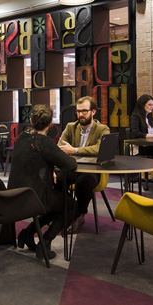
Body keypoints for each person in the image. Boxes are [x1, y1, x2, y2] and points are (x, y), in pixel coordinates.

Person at [8, 104, 78, 260]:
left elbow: (32, 161)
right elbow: (70, 165)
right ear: (51, 124)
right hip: (34, 198)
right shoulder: (44, 142)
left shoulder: (21, 138)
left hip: (13, 197)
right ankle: (45, 242)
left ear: (31, 121)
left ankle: (27, 233)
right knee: (71, 205)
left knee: (56, 202)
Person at [57, 96, 110, 235]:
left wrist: (74, 150)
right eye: (78, 111)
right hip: (73, 168)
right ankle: (68, 210)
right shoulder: (71, 127)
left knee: (84, 182)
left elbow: (100, 148)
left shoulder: (103, 129)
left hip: (92, 171)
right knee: (56, 179)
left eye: (84, 111)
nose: (81, 114)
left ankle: (78, 214)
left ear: (93, 112)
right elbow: (60, 147)